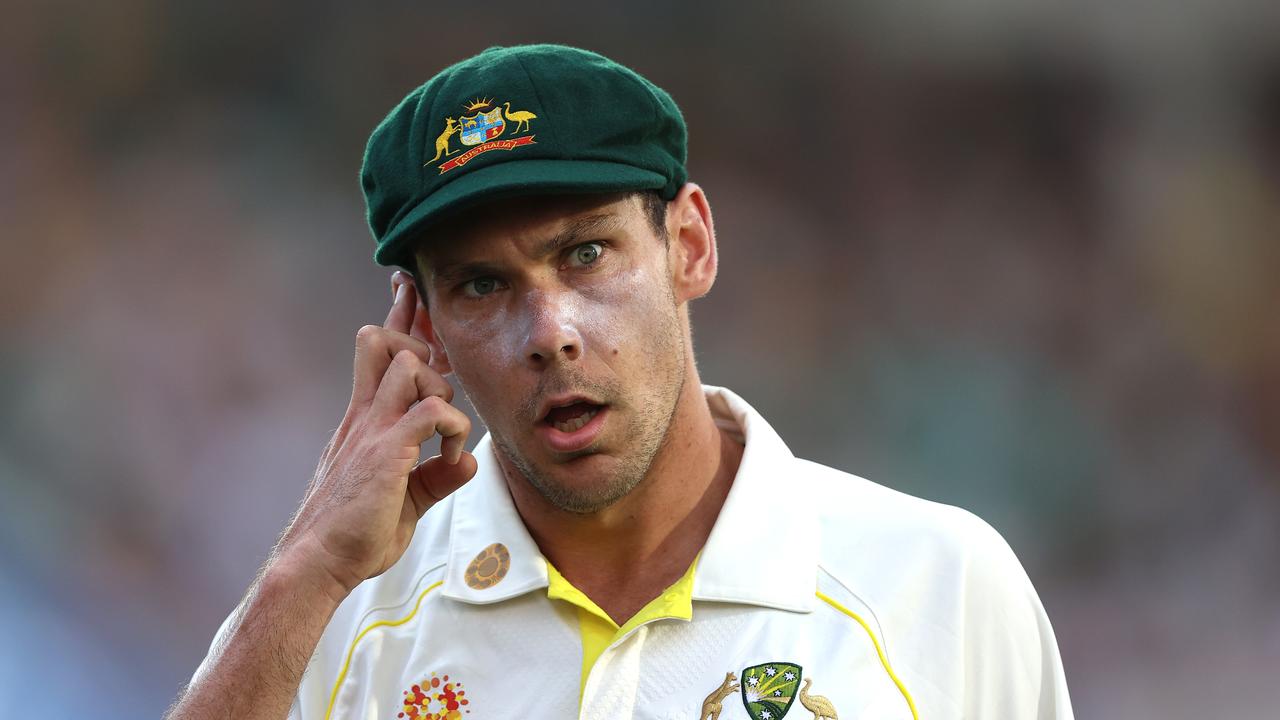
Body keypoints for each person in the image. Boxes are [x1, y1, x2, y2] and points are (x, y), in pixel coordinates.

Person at [167, 44, 1074, 720]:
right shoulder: (339, 617)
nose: (550, 334)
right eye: (482, 284)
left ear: (689, 245)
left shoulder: (938, 585)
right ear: (424, 325)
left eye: (587, 254)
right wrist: (305, 570)